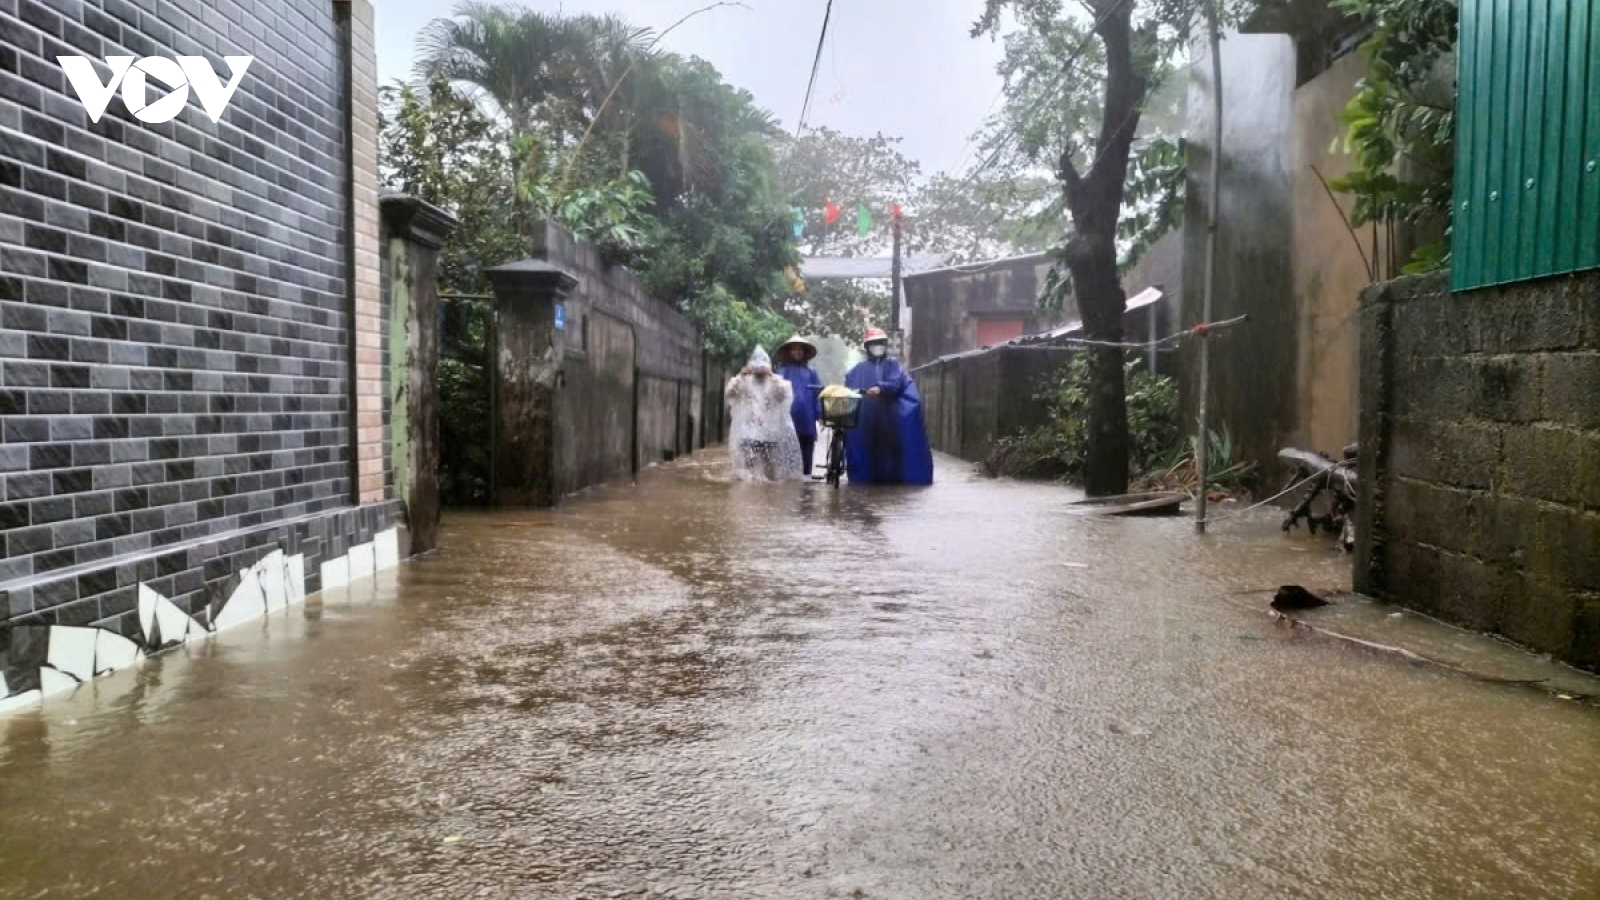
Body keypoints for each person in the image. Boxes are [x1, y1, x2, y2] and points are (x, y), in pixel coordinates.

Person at [843, 328, 934, 485]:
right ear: (867, 346)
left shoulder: (893, 365)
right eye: (873, 343)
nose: (877, 346)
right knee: (868, 448)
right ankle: (868, 479)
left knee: (891, 449)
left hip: (890, 417)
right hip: (868, 418)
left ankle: (894, 479)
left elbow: (897, 383)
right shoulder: (858, 369)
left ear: (885, 345)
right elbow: (849, 390)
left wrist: (880, 388)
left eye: (880, 343)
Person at [725, 346, 805, 482]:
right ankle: (750, 493)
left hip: (769, 432)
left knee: (769, 468)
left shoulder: (775, 382)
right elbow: (730, 393)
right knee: (748, 466)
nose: (759, 371)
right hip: (748, 431)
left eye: (762, 367)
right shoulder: (744, 381)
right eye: (756, 367)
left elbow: (785, 396)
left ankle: (766, 492)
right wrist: (741, 374)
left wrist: (772, 376)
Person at [775, 334, 824, 477]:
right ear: (789, 352)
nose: (798, 352)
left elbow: (818, 394)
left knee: (806, 452)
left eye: (800, 349)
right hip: (787, 420)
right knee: (786, 453)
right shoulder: (781, 371)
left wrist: (820, 414)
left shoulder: (811, 371)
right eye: (795, 349)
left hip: (807, 420)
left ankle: (806, 487)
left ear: (804, 352)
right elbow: (775, 394)